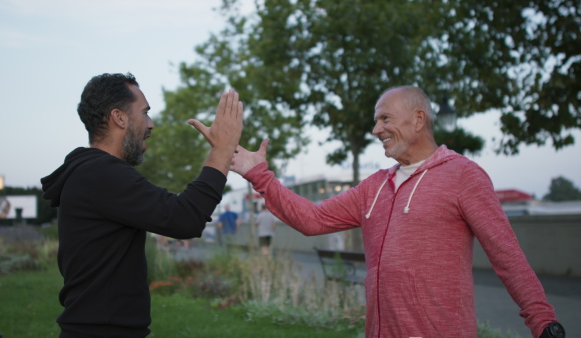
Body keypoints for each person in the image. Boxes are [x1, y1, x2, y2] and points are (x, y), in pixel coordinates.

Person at [226, 86, 565, 338]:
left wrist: (543, 321)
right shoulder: (373, 186)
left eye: (385, 118)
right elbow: (312, 220)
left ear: (418, 119)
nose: (376, 130)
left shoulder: (463, 176)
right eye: (376, 121)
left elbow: (507, 255)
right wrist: (260, 175)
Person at [41, 73, 243, 337]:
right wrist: (222, 150)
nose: (151, 124)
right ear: (120, 117)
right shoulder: (100, 174)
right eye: (145, 112)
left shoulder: (95, 174)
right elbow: (184, 218)